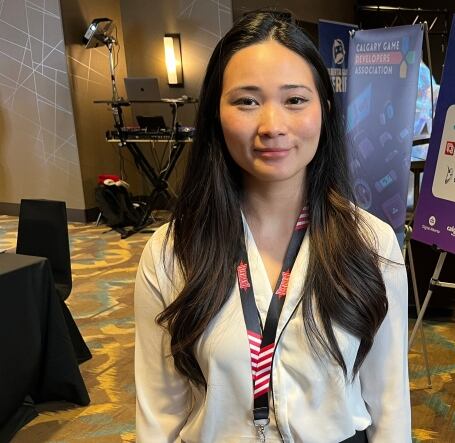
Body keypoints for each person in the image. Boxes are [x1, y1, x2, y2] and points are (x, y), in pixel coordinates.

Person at [134, 11, 410, 443]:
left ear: (325, 110)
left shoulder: (371, 242)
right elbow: (159, 412)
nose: (272, 126)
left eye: (295, 100)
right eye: (246, 101)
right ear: (215, 115)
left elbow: (389, 403)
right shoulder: (173, 250)